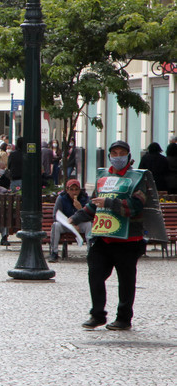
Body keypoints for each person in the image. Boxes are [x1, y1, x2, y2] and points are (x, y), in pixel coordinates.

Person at [71, 141, 162, 331]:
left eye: (122, 153)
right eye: (114, 152)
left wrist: (109, 202)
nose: (118, 156)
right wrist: (76, 218)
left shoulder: (137, 179)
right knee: (95, 275)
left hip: (128, 239)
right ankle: (97, 314)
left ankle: (123, 318)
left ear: (128, 156)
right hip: (103, 237)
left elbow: (136, 206)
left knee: (126, 281)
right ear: (109, 155)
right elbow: (94, 204)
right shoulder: (103, 177)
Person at [48, 178, 91, 262]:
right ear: (67, 190)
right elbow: (56, 215)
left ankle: (90, 252)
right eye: (71, 190)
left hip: (80, 224)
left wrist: (80, 209)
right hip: (66, 224)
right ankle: (54, 253)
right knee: (55, 225)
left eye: (76, 190)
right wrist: (71, 224)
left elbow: (89, 216)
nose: (74, 192)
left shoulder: (84, 198)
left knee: (89, 225)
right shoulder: (61, 198)